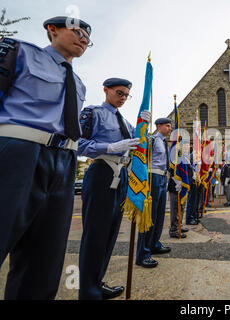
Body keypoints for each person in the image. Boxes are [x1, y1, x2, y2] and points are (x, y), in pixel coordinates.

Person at [0, 16, 90, 299]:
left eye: (88, 38)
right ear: (52, 30)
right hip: (17, 152)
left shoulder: (79, 83)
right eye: (78, 32)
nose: (84, 39)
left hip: (63, 162)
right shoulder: (18, 50)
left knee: (43, 261)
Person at [77, 78, 146, 299]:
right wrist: (109, 146)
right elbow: (76, 142)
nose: (123, 98)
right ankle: (88, 291)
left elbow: (141, 143)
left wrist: (145, 127)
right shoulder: (93, 112)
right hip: (101, 172)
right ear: (105, 90)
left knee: (109, 234)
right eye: (119, 93)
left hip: (121, 175)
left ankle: (97, 281)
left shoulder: (126, 122)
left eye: (127, 95)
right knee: (95, 235)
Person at [135, 118, 172, 268]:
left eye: (170, 126)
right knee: (149, 216)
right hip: (152, 177)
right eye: (167, 126)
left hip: (163, 177)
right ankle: (143, 253)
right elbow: (141, 158)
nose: (170, 128)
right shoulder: (151, 140)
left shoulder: (164, 141)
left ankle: (154, 244)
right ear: (159, 126)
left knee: (159, 214)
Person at [185, 152, 199, 225]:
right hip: (189, 182)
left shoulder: (193, 165)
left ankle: (193, 217)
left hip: (194, 182)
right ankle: (189, 218)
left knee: (194, 201)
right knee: (190, 201)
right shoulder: (186, 160)